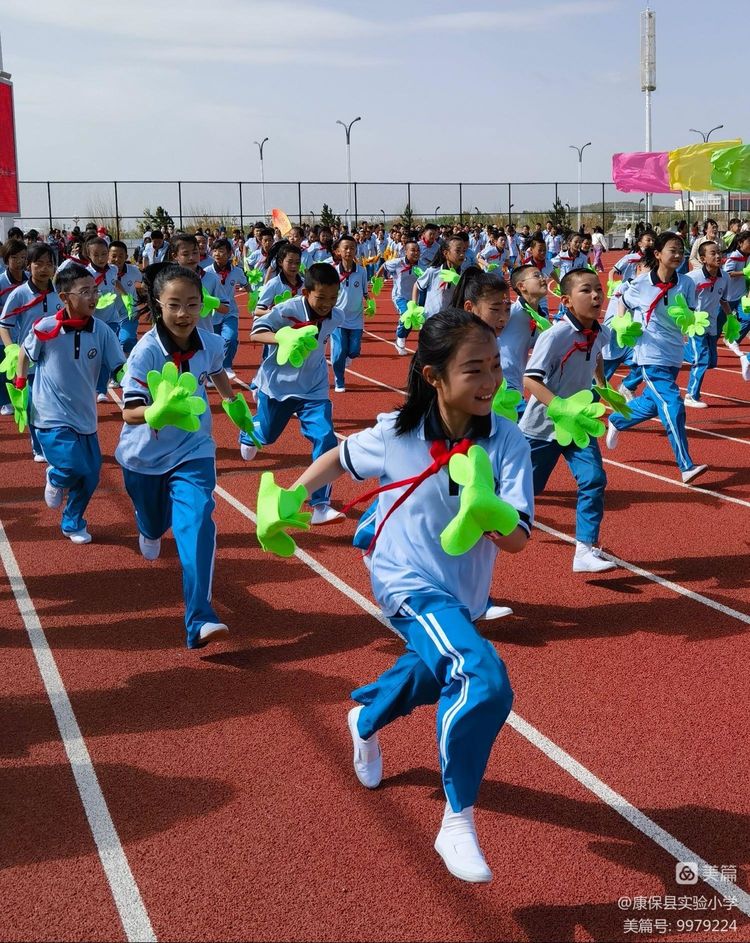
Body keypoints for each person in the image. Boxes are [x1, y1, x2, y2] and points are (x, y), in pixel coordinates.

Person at [262, 308, 533, 883]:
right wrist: (291, 497)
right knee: (481, 677)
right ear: (434, 376)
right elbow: (339, 457)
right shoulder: (397, 433)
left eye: (495, 366)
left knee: (434, 672)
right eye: (474, 369)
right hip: (403, 578)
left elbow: (518, 540)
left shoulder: (507, 439)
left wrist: (490, 514)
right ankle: (457, 819)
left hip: (463, 591)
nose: (490, 381)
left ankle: (366, 717)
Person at [116, 263, 237, 649]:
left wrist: (232, 402)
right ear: (157, 304)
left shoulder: (211, 342)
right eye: (174, 305)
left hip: (193, 450)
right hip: (144, 457)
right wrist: (154, 412)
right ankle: (149, 527)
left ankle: (200, 617)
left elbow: (216, 371)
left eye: (192, 304)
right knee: (154, 524)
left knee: (198, 520)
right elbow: (129, 411)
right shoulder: (145, 352)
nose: (184, 313)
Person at [15, 263, 125, 543]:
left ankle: (72, 522)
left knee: (91, 476)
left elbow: (118, 367)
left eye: (95, 291)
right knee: (71, 467)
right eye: (85, 292)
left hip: (84, 415)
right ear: (64, 297)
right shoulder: (46, 327)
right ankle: (56, 477)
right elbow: (25, 354)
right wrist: (20, 382)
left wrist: (138, 384)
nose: (93, 297)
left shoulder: (102, 331)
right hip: (49, 413)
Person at [520, 269, 617, 573]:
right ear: (566, 301)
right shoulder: (555, 336)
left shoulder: (601, 332)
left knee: (594, 478)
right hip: (542, 427)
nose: (596, 295)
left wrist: (603, 387)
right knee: (526, 489)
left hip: (578, 425)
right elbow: (530, 380)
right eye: (586, 290)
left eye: (598, 289)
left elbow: (596, 355)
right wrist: (561, 407)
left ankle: (584, 550)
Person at [242, 262, 345, 525]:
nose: (327, 304)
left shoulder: (336, 316)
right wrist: (281, 338)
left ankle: (320, 505)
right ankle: (249, 431)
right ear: (306, 292)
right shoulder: (288, 310)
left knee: (326, 438)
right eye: (321, 297)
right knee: (267, 435)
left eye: (333, 297)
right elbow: (256, 333)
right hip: (278, 387)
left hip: (314, 388)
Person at [605, 231, 708, 484]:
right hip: (649, 355)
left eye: (681, 250)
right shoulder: (641, 284)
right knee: (673, 404)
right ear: (658, 254)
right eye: (673, 250)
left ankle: (617, 419)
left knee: (651, 403)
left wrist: (689, 319)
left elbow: (688, 315)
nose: (678, 255)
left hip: (673, 353)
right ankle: (686, 465)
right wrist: (622, 323)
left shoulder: (686, 283)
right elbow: (622, 300)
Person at [0, 244, 63, 460]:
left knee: (55, 405)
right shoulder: (19, 294)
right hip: (29, 360)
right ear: (29, 265)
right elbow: (4, 325)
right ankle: (38, 446)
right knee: (34, 405)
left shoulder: (61, 292)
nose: (44, 269)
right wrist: (11, 350)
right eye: (39, 263)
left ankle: (54, 441)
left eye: (49, 264)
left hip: (57, 359)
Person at [683, 240, 730, 408]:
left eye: (719, 252)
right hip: (695, 324)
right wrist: (686, 320)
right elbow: (680, 300)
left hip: (712, 324)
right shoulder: (692, 278)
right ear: (702, 259)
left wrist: (731, 318)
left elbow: (723, 300)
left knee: (711, 362)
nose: (718, 256)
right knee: (702, 359)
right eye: (713, 253)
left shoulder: (725, 277)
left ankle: (679, 351)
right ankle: (691, 395)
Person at [501, 264, 549, 406]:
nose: (543, 279)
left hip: (517, 385)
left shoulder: (540, 318)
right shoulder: (510, 312)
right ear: (522, 286)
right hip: (502, 384)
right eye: (536, 276)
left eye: (542, 275)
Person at [330, 235, 369, 393]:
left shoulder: (361, 271)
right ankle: (339, 379)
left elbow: (365, 293)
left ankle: (346, 356)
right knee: (339, 352)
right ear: (338, 251)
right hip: (337, 318)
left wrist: (370, 304)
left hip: (356, 318)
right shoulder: (333, 272)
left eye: (352, 248)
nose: (349, 251)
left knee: (353, 351)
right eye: (345, 248)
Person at [205, 236, 248, 378]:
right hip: (211, 315)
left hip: (230, 312)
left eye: (221, 250)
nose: (217, 253)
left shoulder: (237, 271)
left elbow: (246, 285)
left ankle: (227, 365)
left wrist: (255, 297)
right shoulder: (207, 272)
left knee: (230, 338)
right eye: (215, 250)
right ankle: (212, 370)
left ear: (230, 254)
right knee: (214, 343)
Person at [374, 237, 421, 355]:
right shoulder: (397, 263)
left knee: (412, 320)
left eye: (418, 250)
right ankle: (400, 338)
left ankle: (402, 337)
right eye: (413, 250)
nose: (416, 253)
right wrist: (377, 280)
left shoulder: (422, 265)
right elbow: (384, 265)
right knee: (406, 315)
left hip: (414, 298)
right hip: (400, 296)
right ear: (406, 251)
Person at [0, 239, 28, 415]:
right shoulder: (1, 281)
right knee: (4, 368)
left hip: (24, 332)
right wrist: (10, 309)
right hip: (4, 333)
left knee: (24, 367)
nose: (19, 261)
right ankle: (5, 401)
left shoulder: (30, 279)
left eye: (23, 257)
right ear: (6, 259)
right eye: (15, 257)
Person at [413, 235, 467, 320]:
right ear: (445, 253)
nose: (462, 254)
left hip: (451, 320)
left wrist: (459, 282)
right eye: (457, 251)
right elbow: (417, 285)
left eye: (464, 251)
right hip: (431, 319)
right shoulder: (433, 271)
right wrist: (414, 306)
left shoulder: (464, 275)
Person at [108, 240, 142, 357]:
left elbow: (143, 283)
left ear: (126, 257)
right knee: (110, 345)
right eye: (113, 256)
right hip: (108, 316)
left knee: (127, 340)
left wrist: (137, 307)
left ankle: (130, 364)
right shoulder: (102, 273)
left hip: (128, 314)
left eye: (121, 256)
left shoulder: (133, 271)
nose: (117, 259)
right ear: (108, 256)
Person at [721, 230, 750, 355]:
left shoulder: (748, 256)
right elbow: (727, 273)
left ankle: (733, 340)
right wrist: (744, 272)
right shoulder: (734, 256)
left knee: (748, 319)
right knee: (717, 326)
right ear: (740, 243)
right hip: (727, 297)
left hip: (742, 296)